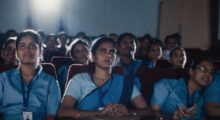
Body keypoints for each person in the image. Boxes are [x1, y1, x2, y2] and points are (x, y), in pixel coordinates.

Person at [59, 37, 152, 119]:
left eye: (112, 51)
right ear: (93, 57)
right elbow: (63, 112)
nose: (108, 55)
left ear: (116, 58)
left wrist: (129, 112)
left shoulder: (124, 82)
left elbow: (148, 111)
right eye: (103, 51)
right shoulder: (79, 80)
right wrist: (99, 113)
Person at [0, 29, 61, 120]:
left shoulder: (51, 82)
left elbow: (51, 116)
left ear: (40, 52)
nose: (27, 50)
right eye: (22, 46)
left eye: (32, 46)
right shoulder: (3, 79)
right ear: (16, 53)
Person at [151, 58, 215, 120]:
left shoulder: (205, 99)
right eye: (203, 69)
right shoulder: (165, 85)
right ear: (191, 71)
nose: (208, 74)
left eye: (211, 72)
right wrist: (171, 117)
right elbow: (153, 115)